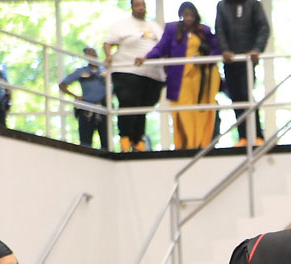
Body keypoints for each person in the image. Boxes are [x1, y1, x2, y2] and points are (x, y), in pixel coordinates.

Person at [140, 2, 222, 150]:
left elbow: (217, 48)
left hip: (200, 81)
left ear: (195, 15)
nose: (188, 18)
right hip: (179, 80)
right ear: (181, 15)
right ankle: (185, 145)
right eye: (185, 15)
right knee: (183, 113)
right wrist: (146, 57)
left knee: (200, 113)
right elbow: (161, 48)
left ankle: (200, 144)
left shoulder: (204, 31)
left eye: (191, 15)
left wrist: (205, 60)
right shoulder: (172, 29)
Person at [104, 0, 165, 152]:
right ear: (131, 6)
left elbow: (164, 45)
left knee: (143, 107)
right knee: (129, 103)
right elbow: (108, 42)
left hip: (152, 74)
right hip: (127, 69)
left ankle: (138, 140)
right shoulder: (122, 25)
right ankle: (125, 139)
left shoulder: (154, 26)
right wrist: (108, 55)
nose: (141, 8)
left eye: (143, 5)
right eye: (137, 5)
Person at [215, 0, 270, 146]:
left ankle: (258, 136)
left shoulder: (253, 4)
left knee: (247, 96)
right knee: (236, 99)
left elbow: (264, 28)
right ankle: (243, 137)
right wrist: (225, 50)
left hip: (247, 60)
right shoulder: (222, 6)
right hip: (230, 61)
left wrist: (257, 49)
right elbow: (219, 30)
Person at [59, 47, 108, 150]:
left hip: (103, 108)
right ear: (85, 57)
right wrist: (75, 96)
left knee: (106, 141)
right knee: (85, 142)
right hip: (87, 109)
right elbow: (62, 85)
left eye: (94, 53)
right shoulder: (81, 72)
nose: (92, 56)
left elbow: (115, 85)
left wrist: (109, 95)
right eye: (89, 54)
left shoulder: (105, 71)